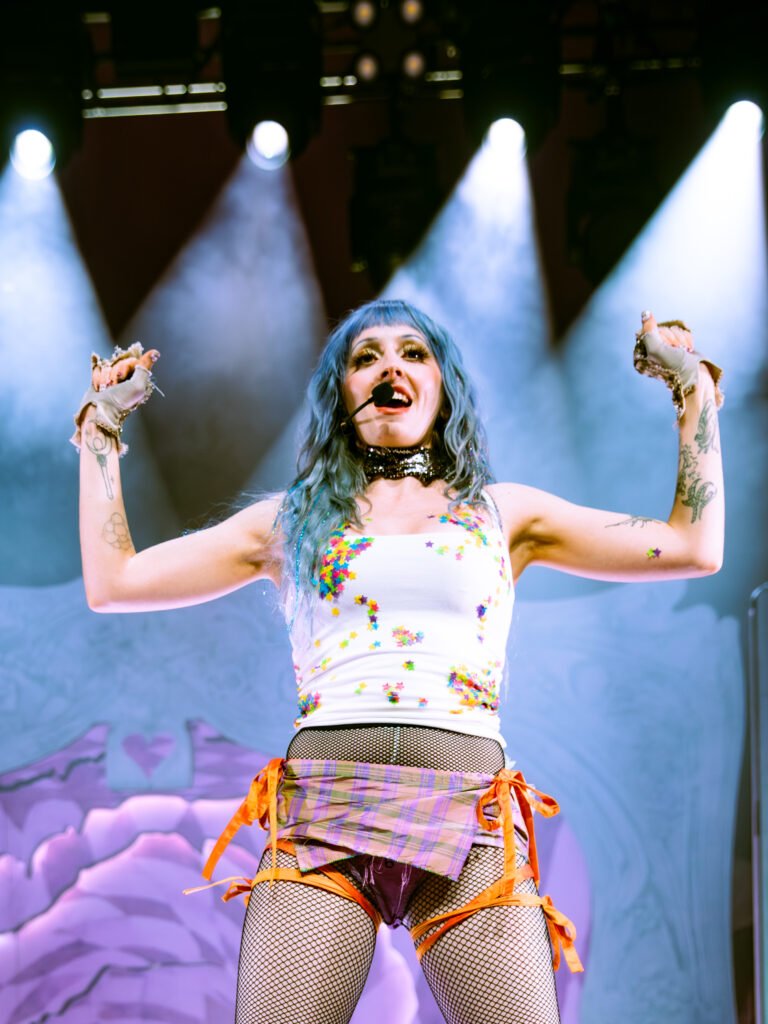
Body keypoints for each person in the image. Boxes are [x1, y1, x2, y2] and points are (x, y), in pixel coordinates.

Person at [72, 299, 724, 1024]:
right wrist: (102, 430)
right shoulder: (289, 521)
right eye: (366, 357)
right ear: (341, 392)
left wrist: (692, 387)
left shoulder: (504, 514)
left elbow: (692, 545)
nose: (390, 366)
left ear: (443, 388)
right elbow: (115, 584)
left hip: (468, 818)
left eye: (413, 353)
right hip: (325, 817)